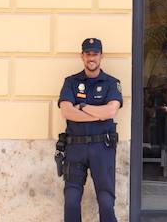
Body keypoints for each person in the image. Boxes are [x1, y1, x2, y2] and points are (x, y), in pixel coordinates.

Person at [58, 38, 123, 222]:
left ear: (101, 56)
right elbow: (66, 111)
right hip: (75, 148)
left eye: (95, 54)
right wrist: (98, 113)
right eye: (88, 54)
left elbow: (111, 111)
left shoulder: (111, 83)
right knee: (71, 201)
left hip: (102, 148)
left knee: (105, 201)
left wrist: (83, 107)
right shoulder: (71, 82)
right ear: (82, 56)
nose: (91, 58)